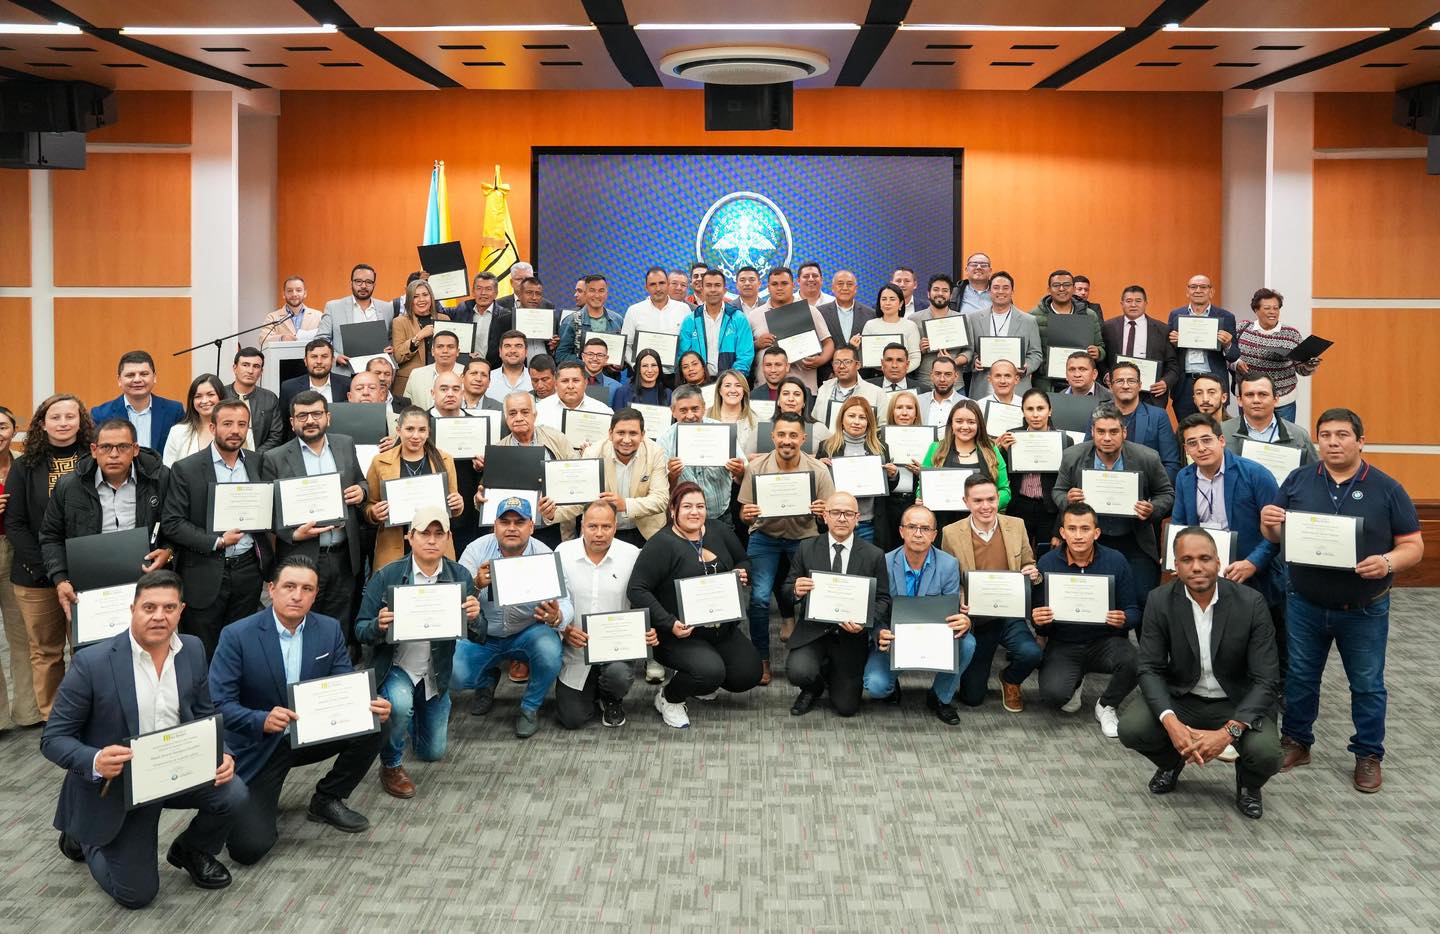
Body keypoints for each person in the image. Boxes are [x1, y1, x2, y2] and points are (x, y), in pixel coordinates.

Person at [41, 570, 244, 908]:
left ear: (181, 610)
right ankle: (87, 838)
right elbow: (53, 738)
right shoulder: (92, 664)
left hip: (179, 767)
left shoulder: (192, 649)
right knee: (137, 895)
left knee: (233, 792)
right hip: (121, 782)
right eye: (149, 608)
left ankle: (191, 849)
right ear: (132, 609)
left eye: (168, 608)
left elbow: (206, 713)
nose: (159, 617)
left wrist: (223, 751)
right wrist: (95, 760)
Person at [1261, 408, 1423, 794]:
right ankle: (1297, 742)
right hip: (1304, 603)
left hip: (1364, 608)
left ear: (1360, 441)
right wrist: (1269, 522)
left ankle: (1368, 754)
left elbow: (1413, 546)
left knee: (1366, 684)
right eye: (1326, 435)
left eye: (1342, 435)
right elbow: (1273, 536)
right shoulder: (1299, 480)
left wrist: (1386, 562)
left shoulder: (1387, 488)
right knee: (1300, 677)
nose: (1333, 442)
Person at [210, 557, 391, 864]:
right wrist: (261, 719)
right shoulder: (236, 634)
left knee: (381, 720)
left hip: (310, 732)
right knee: (248, 849)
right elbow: (218, 704)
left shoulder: (329, 629)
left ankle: (327, 798)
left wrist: (368, 702)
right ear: (271, 589)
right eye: (289, 586)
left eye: (307, 588)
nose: (297, 595)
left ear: (315, 593)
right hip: (260, 744)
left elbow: (343, 683)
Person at [1119, 528, 1283, 820]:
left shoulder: (1251, 603)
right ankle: (1172, 763)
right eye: (1187, 559)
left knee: (1267, 753)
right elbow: (1149, 668)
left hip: (1236, 701)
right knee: (1132, 728)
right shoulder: (1159, 600)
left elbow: (1266, 679)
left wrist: (1227, 733)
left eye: (1205, 558)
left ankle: (1248, 784)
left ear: (1218, 562)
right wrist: (1171, 722)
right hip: (1184, 696)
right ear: (1175, 565)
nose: (1196, 567)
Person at [354, 505, 480, 798]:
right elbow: (360, 629)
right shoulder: (387, 575)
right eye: (424, 533)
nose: (432, 540)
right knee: (398, 704)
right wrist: (378, 626)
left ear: (449, 537)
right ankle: (391, 764)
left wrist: (475, 617)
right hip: (397, 665)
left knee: (431, 752)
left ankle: (408, 720)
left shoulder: (460, 575)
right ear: (410, 537)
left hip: (435, 670)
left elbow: (480, 632)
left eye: (439, 533)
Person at [1174, 412, 1284, 731]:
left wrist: (1253, 563)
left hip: (1251, 569)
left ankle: (1261, 706)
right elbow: (1182, 526)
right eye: (1192, 443)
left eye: (1206, 440)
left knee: (1255, 643)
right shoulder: (1185, 478)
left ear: (1221, 440)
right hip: (1204, 569)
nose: (1201, 448)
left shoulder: (1255, 474)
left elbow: (1276, 533)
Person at [628, 482, 762, 728]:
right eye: (687, 506)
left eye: (700, 506)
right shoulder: (662, 543)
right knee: (710, 673)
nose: (694, 512)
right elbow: (637, 589)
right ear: (673, 510)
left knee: (749, 674)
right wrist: (669, 623)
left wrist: (742, 571)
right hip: (680, 635)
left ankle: (700, 677)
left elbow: (743, 559)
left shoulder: (718, 530)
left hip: (721, 629)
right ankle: (669, 697)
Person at [161, 400, 272, 662]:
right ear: (212, 427)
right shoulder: (186, 469)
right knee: (202, 649)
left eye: (242, 424)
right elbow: (172, 522)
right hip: (203, 570)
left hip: (248, 570)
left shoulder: (258, 462)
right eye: (228, 424)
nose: (235, 430)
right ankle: (203, 702)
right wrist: (218, 541)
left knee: (241, 646)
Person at [453, 497, 572, 738]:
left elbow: (566, 602)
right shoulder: (475, 551)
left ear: (531, 526)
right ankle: (486, 678)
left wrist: (556, 616)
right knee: (453, 674)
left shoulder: (544, 554)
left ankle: (529, 707)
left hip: (527, 632)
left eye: (519, 522)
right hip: (482, 634)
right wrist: (474, 585)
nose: (511, 528)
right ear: (494, 526)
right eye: (504, 522)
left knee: (550, 653)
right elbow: (452, 602)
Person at [7, 394, 94, 718]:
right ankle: (53, 716)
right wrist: (51, 569)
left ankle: (89, 711)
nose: (63, 423)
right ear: (42, 424)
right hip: (36, 575)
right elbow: (15, 522)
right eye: (55, 417)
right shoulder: (25, 465)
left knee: (87, 649)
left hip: (88, 573)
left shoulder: (93, 457)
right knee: (46, 651)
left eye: (70, 416)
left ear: (81, 422)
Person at [260, 391, 368, 641]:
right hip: (301, 556)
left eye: (316, 414)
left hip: (343, 556)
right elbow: (267, 510)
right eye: (302, 416)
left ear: (328, 418)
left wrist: (361, 492)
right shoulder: (274, 458)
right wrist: (292, 533)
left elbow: (361, 481)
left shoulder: (345, 444)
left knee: (338, 625)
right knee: (299, 623)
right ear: (292, 422)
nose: (310, 420)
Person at [738, 412, 836, 685]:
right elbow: (744, 514)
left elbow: (830, 515)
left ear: (803, 439)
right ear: (773, 437)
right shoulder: (756, 468)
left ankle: (809, 655)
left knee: (814, 597)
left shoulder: (818, 470)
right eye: (781, 434)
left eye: (793, 435)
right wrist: (748, 514)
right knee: (758, 598)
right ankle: (762, 659)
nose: (787, 441)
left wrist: (821, 512)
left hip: (805, 537)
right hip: (765, 536)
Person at [41, 418, 172, 619]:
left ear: (135, 449)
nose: (113, 454)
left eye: (122, 447)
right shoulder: (69, 486)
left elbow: (175, 524)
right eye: (105, 447)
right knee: (93, 650)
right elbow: (51, 537)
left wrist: (168, 552)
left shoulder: (160, 480)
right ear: (94, 450)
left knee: (147, 645)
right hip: (88, 585)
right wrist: (61, 579)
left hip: (146, 580)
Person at [1032, 503, 1141, 737]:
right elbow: (1039, 620)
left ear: (1096, 532)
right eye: (1072, 529)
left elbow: (1134, 610)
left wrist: (1123, 619)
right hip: (1064, 642)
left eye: (1085, 528)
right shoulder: (1048, 563)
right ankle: (1075, 679)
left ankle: (1107, 704)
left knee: (1136, 662)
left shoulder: (1116, 560)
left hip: (1105, 641)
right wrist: (1039, 620)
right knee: (1053, 695)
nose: (1078, 536)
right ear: (1062, 533)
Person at [1053, 404, 1173, 613]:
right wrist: (1068, 500)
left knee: (1142, 600)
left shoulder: (1147, 457)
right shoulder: (1073, 456)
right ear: (1092, 432)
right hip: (1091, 540)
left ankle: (1144, 646)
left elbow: (1167, 494)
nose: (1107, 438)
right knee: (1094, 601)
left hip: (1134, 539)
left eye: (1113, 431)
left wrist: (1152, 508)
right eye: (1101, 432)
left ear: (1124, 432)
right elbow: (1058, 491)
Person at [939, 477, 1043, 711]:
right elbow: (949, 578)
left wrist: (1033, 573)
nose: (985, 506)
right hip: (977, 618)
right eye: (978, 500)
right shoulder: (951, 533)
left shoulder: (1016, 525)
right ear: (966, 502)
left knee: (1032, 654)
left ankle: (1010, 679)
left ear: (998, 499)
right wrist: (960, 598)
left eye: (990, 499)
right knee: (972, 698)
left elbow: (1029, 564)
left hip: (1009, 615)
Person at [784, 492, 892, 718]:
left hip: (850, 636)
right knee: (798, 672)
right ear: (825, 516)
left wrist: (864, 622)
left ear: (857, 518)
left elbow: (883, 599)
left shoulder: (874, 555)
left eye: (848, 514)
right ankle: (813, 687)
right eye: (835, 513)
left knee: (847, 708)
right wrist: (795, 590)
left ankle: (832, 675)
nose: (842, 518)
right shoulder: (806, 548)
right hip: (813, 631)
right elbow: (785, 590)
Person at [866, 503, 971, 722]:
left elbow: (950, 611)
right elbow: (875, 610)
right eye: (912, 527)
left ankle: (940, 697)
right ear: (901, 531)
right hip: (894, 640)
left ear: (934, 535)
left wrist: (963, 621)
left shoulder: (949, 565)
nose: (918, 533)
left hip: (932, 636)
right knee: (876, 686)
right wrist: (879, 633)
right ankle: (891, 683)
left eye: (925, 528)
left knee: (968, 643)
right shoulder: (883, 562)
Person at [555, 500, 652, 729]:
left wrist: (648, 629)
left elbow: (642, 597)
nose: (599, 533)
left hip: (616, 649)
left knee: (618, 676)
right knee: (572, 719)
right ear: (582, 526)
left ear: (615, 527)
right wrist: (565, 630)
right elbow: (560, 601)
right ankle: (592, 691)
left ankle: (611, 697)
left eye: (606, 527)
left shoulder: (631, 555)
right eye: (592, 527)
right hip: (576, 649)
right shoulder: (563, 552)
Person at [364, 407, 464, 569]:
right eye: (409, 429)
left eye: (422, 430)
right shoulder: (380, 461)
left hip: (434, 544)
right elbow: (368, 505)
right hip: (394, 546)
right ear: (398, 430)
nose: (416, 436)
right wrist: (374, 513)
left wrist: (458, 504)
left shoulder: (445, 459)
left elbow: (454, 503)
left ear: (428, 432)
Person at [553, 408, 670, 547]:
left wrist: (625, 505)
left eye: (633, 433)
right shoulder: (593, 453)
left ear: (643, 435)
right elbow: (581, 501)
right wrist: (552, 514)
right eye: (621, 433)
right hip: (602, 533)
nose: (626, 440)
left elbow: (661, 499)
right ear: (610, 433)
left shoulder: (655, 452)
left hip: (645, 532)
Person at [481, 391, 570, 552]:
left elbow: (577, 488)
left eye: (525, 412)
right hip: (514, 531)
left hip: (554, 527)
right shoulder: (498, 451)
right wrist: (479, 499)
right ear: (506, 418)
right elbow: (485, 498)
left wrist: (553, 515)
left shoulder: (556, 439)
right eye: (512, 413)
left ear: (534, 415)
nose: (519, 418)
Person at [0, 406, 42, 731]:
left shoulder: (26, 464)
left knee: (23, 634)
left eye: (2, 426)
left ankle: (29, 711)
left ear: (14, 430)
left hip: (17, 551)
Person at [659, 385, 747, 534]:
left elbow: (743, 474)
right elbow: (662, 489)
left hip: (721, 517)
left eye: (695, 409)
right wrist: (673, 475)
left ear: (704, 407)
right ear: (673, 411)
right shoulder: (665, 440)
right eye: (683, 410)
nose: (690, 415)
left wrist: (739, 470)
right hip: (684, 520)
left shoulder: (722, 432)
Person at [999, 389, 1075, 557]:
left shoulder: (1064, 441)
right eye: (1030, 409)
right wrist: (1003, 451)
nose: (1035, 414)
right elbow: (1000, 475)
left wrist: (1058, 529)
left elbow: (1067, 488)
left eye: (1040, 408)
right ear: (1023, 411)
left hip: (1049, 510)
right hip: (1018, 507)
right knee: (1016, 557)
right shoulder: (1012, 436)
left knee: (1047, 557)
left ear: (1050, 410)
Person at [816, 396, 898, 542]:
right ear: (842, 419)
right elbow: (819, 489)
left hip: (869, 523)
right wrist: (819, 468)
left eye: (862, 417)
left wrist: (892, 475)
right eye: (851, 416)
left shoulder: (880, 448)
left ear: (869, 422)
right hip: (836, 523)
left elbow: (886, 491)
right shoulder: (827, 447)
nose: (856, 421)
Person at [919, 399, 1010, 530]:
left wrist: (986, 505)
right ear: (951, 423)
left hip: (982, 524)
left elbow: (1004, 490)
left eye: (971, 422)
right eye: (959, 421)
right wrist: (921, 499)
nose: (965, 427)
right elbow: (921, 487)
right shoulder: (936, 449)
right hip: (942, 525)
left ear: (979, 425)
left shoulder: (992, 450)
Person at [1234, 288, 1321, 423]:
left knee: (1283, 442)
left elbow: (1301, 369)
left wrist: (1309, 365)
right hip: (1251, 399)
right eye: (1267, 308)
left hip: (1283, 401)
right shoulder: (1242, 328)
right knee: (1250, 440)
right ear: (1256, 310)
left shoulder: (1291, 334)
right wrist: (1236, 363)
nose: (1272, 312)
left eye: (1276, 308)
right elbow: (1228, 355)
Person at [747, 266, 834, 392]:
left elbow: (828, 343)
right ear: (768, 287)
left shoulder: (810, 311)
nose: (779, 288)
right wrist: (756, 344)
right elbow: (743, 350)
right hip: (765, 390)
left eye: (784, 283)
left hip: (803, 389)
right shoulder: (754, 315)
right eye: (774, 284)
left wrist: (821, 360)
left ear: (793, 285)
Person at [1167, 275, 1239, 419]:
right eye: (1193, 287)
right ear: (1188, 291)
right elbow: (1169, 353)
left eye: (1203, 287)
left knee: (1215, 431)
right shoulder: (1175, 315)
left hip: (1214, 382)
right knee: (1187, 431)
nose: (1198, 290)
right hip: (1185, 384)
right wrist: (1173, 344)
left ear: (1211, 291)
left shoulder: (1226, 317)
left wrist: (1227, 344)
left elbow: (1234, 355)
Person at [964, 270, 1043, 396]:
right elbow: (968, 350)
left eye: (1005, 288)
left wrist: (1026, 367)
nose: (1000, 291)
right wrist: (974, 361)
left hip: (1017, 387)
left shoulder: (1028, 320)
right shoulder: (974, 318)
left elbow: (1036, 354)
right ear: (989, 291)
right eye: (996, 287)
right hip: (984, 386)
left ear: (1012, 291)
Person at [90, 351, 184, 453]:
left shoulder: (174, 411)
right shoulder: (100, 415)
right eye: (130, 375)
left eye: (144, 374)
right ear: (119, 380)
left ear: (154, 377)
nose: (137, 379)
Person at [1221, 373, 1318, 469]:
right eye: (1249, 395)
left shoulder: (1299, 436)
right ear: (1240, 400)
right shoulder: (1222, 432)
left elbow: (1314, 475)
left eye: (1263, 394)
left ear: (1275, 399)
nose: (1256, 400)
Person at [1100, 285, 1179, 404]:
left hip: (1151, 394)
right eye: (1128, 301)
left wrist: (1165, 383)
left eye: (1138, 301)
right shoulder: (1108, 327)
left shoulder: (1162, 329)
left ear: (1146, 303)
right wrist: (1106, 374)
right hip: (1117, 393)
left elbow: (1172, 364)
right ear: (1122, 303)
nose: (1133, 305)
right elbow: (1101, 358)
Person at [1107, 361, 1181, 482]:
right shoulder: (1098, 414)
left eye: (1131, 381)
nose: (1125, 386)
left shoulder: (1158, 416)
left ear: (1140, 385)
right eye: (1119, 381)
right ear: (1110, 386)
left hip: (1147, 491)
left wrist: (1156, 492)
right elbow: (1087, 456)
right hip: (1106, 485)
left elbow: (1171, 464)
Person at [677, 267, 755, 378]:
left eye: (717, 285)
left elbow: (745, 355)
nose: (713, 290)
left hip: (731, 383)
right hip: (698, 384)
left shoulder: (738, 318)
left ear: (724, 290)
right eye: (708, 285)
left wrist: (730, 380)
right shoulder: (690, 320)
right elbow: (684, 356)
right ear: (702, 289)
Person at [1031, 269, 1105, 385]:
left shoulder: (1089, 315)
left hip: (1080, 384)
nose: (1061, 289)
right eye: (1056, 285)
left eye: (1066, 285)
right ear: (1049, 289)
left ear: (1073, 288)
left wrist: (1098, 352)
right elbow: (1031, 352)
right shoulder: (1034, 316)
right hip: (1046, 384)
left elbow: (1101, 347)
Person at [325, 263, 394, 373]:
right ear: (351, 283)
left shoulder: (387, 308)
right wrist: (336, 356)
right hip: (345, 372)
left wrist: (391, 347)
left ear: (374, 285)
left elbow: (391, 338)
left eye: (368, 282)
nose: (363, 286)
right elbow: (321, 339)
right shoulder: (333, 307)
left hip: (376, 374)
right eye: (358, 281)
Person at [879, 391, 925, 552]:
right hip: (887, 506)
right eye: (899, 407)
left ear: (916, 413)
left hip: (916, 503)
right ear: (892, 411)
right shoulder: (877, 440)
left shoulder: (928, 440)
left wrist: (924, 473)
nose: (904, 412)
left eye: (909, 408)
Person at [622, 266, 690, 369]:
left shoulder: (684, 309)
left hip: (675, 375)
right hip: (642, 375)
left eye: (662, 283)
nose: (658, 288)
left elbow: (690, 343)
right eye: (653, 284)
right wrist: (636, 366)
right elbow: (626, 345)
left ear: (667, 284)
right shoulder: (634, 311)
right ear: (646, 287)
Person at [537, 359, 615, 449]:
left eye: (576, 380)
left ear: (585, 383)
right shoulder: (540, 410)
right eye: (565, 381)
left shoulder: (603, 411)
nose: (570, 386)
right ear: (555, 384)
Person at [391, 278, 451, 394]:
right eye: (415, 296)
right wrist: (418, 336)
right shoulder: (399, 321)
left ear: (431, 297)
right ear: (409, 300)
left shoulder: (444, 319)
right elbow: (398, 356)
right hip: (410, 382)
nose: (421, 300)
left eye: (425, 295)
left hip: (440, 381)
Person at [910, 273, 972, 385]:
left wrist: (954, 361)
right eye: (936, 289)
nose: (940, 293)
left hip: (955, 384)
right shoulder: (914, 319)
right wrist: (920, 349)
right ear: (928, 293)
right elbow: (907, 353)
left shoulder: (962, 319)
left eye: (945, 290)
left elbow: (969, 350)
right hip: (924, 383)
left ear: (951, 294)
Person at [815, 269, 874, 382]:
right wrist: (830, 374)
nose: (845, 288)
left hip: (862, 380)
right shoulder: (819, 313)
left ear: (856, 289)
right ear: (832, 288)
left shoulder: (870, 314)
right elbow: (817, 348)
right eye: (840, 284)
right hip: (828, 379)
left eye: (849, 284)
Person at [162, 374, 232, 467]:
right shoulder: (177, 432)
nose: (204, 400)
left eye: (210, 395)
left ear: (221, 397)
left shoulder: (237, 429)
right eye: (198, 396)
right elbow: (168, 469)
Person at [223, 346, 283, 453]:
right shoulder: (221, 395)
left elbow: (276, 435)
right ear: (234, 368)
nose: (250, 371)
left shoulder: (269, 398)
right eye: (245, 365)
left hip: (260, 460)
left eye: (256, 366)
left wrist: (255, 457)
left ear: (261, 371)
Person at [812, 345, 885, 432]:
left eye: (847, 362)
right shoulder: (824, 389)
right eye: (836, 362)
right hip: (827, 443)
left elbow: (882, 428)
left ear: (857, 365)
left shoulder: (876, 393)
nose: (841, 366)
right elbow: (815, 421)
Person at [557, 275, 625, 366]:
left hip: (610, 379)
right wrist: (587, 363)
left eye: (601, 291)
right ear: (585, 293)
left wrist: (619, 366)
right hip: (581, 378)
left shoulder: (618, 320)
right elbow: (561, 356)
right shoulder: (571, 321)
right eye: (592, 290)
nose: (597, 295)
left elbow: (623, 355)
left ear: (607, 294)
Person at [278, 339, 351, 422]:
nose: (319, 361)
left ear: (332, 360)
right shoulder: (289, 388)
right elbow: (283, 424)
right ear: (305, 361)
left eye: (324, 356)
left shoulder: (347, 384)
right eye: (314, 357)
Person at [861, 285, 922, 376]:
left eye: (892, 299)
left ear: (901, 303)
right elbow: (866, 357)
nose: (887, 303)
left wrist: (899, 372)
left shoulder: (910, 326)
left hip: (904, 376)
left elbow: (915, 358)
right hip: (876, 377)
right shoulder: (870, 325)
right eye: (884, 299)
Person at [260, 275, 331, 347]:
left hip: (311, 357)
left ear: (305, 293)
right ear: (284, 294)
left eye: (298, 290)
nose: (294, 294)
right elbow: (263, 340)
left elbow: (327, 339)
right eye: (290, 291)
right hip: (283, 357)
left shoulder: (318, 315)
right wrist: (282, 338)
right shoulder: (272, 317)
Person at [402, 329, 464, 409]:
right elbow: (407, 408)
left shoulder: (467, 375)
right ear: (432, 351)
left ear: (458, 351)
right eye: (440, 347)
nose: (445, 351)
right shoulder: (416, 375)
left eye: (450, 347)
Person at [449, 272, 502, 362]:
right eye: (479, 288)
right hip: (466, 366)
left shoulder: (504, 315)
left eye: (488, 289)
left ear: (496, 293)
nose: (483, 293)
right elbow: (437, 310)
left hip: (493, 369)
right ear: (473, 292)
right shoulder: (463, 309)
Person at [708, 368, 761, 456]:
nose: (733, 390)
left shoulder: (757, 421)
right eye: (727, 385)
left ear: (744, 391)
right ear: (719, 390)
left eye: (738, 385)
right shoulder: (705, 417)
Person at [917, 355, 965, 428]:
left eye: (948, 374)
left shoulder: (967, 404)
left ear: (956, 377)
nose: (942, 379)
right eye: (938, 374)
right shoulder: (917, 401)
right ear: (931, 376)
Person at [578, 336, 624, 408]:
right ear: (583, 357)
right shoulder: (570, 382)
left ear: (606, 359)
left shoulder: (616, 387)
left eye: (600, 355)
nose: (595, 358)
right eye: (590, 354)